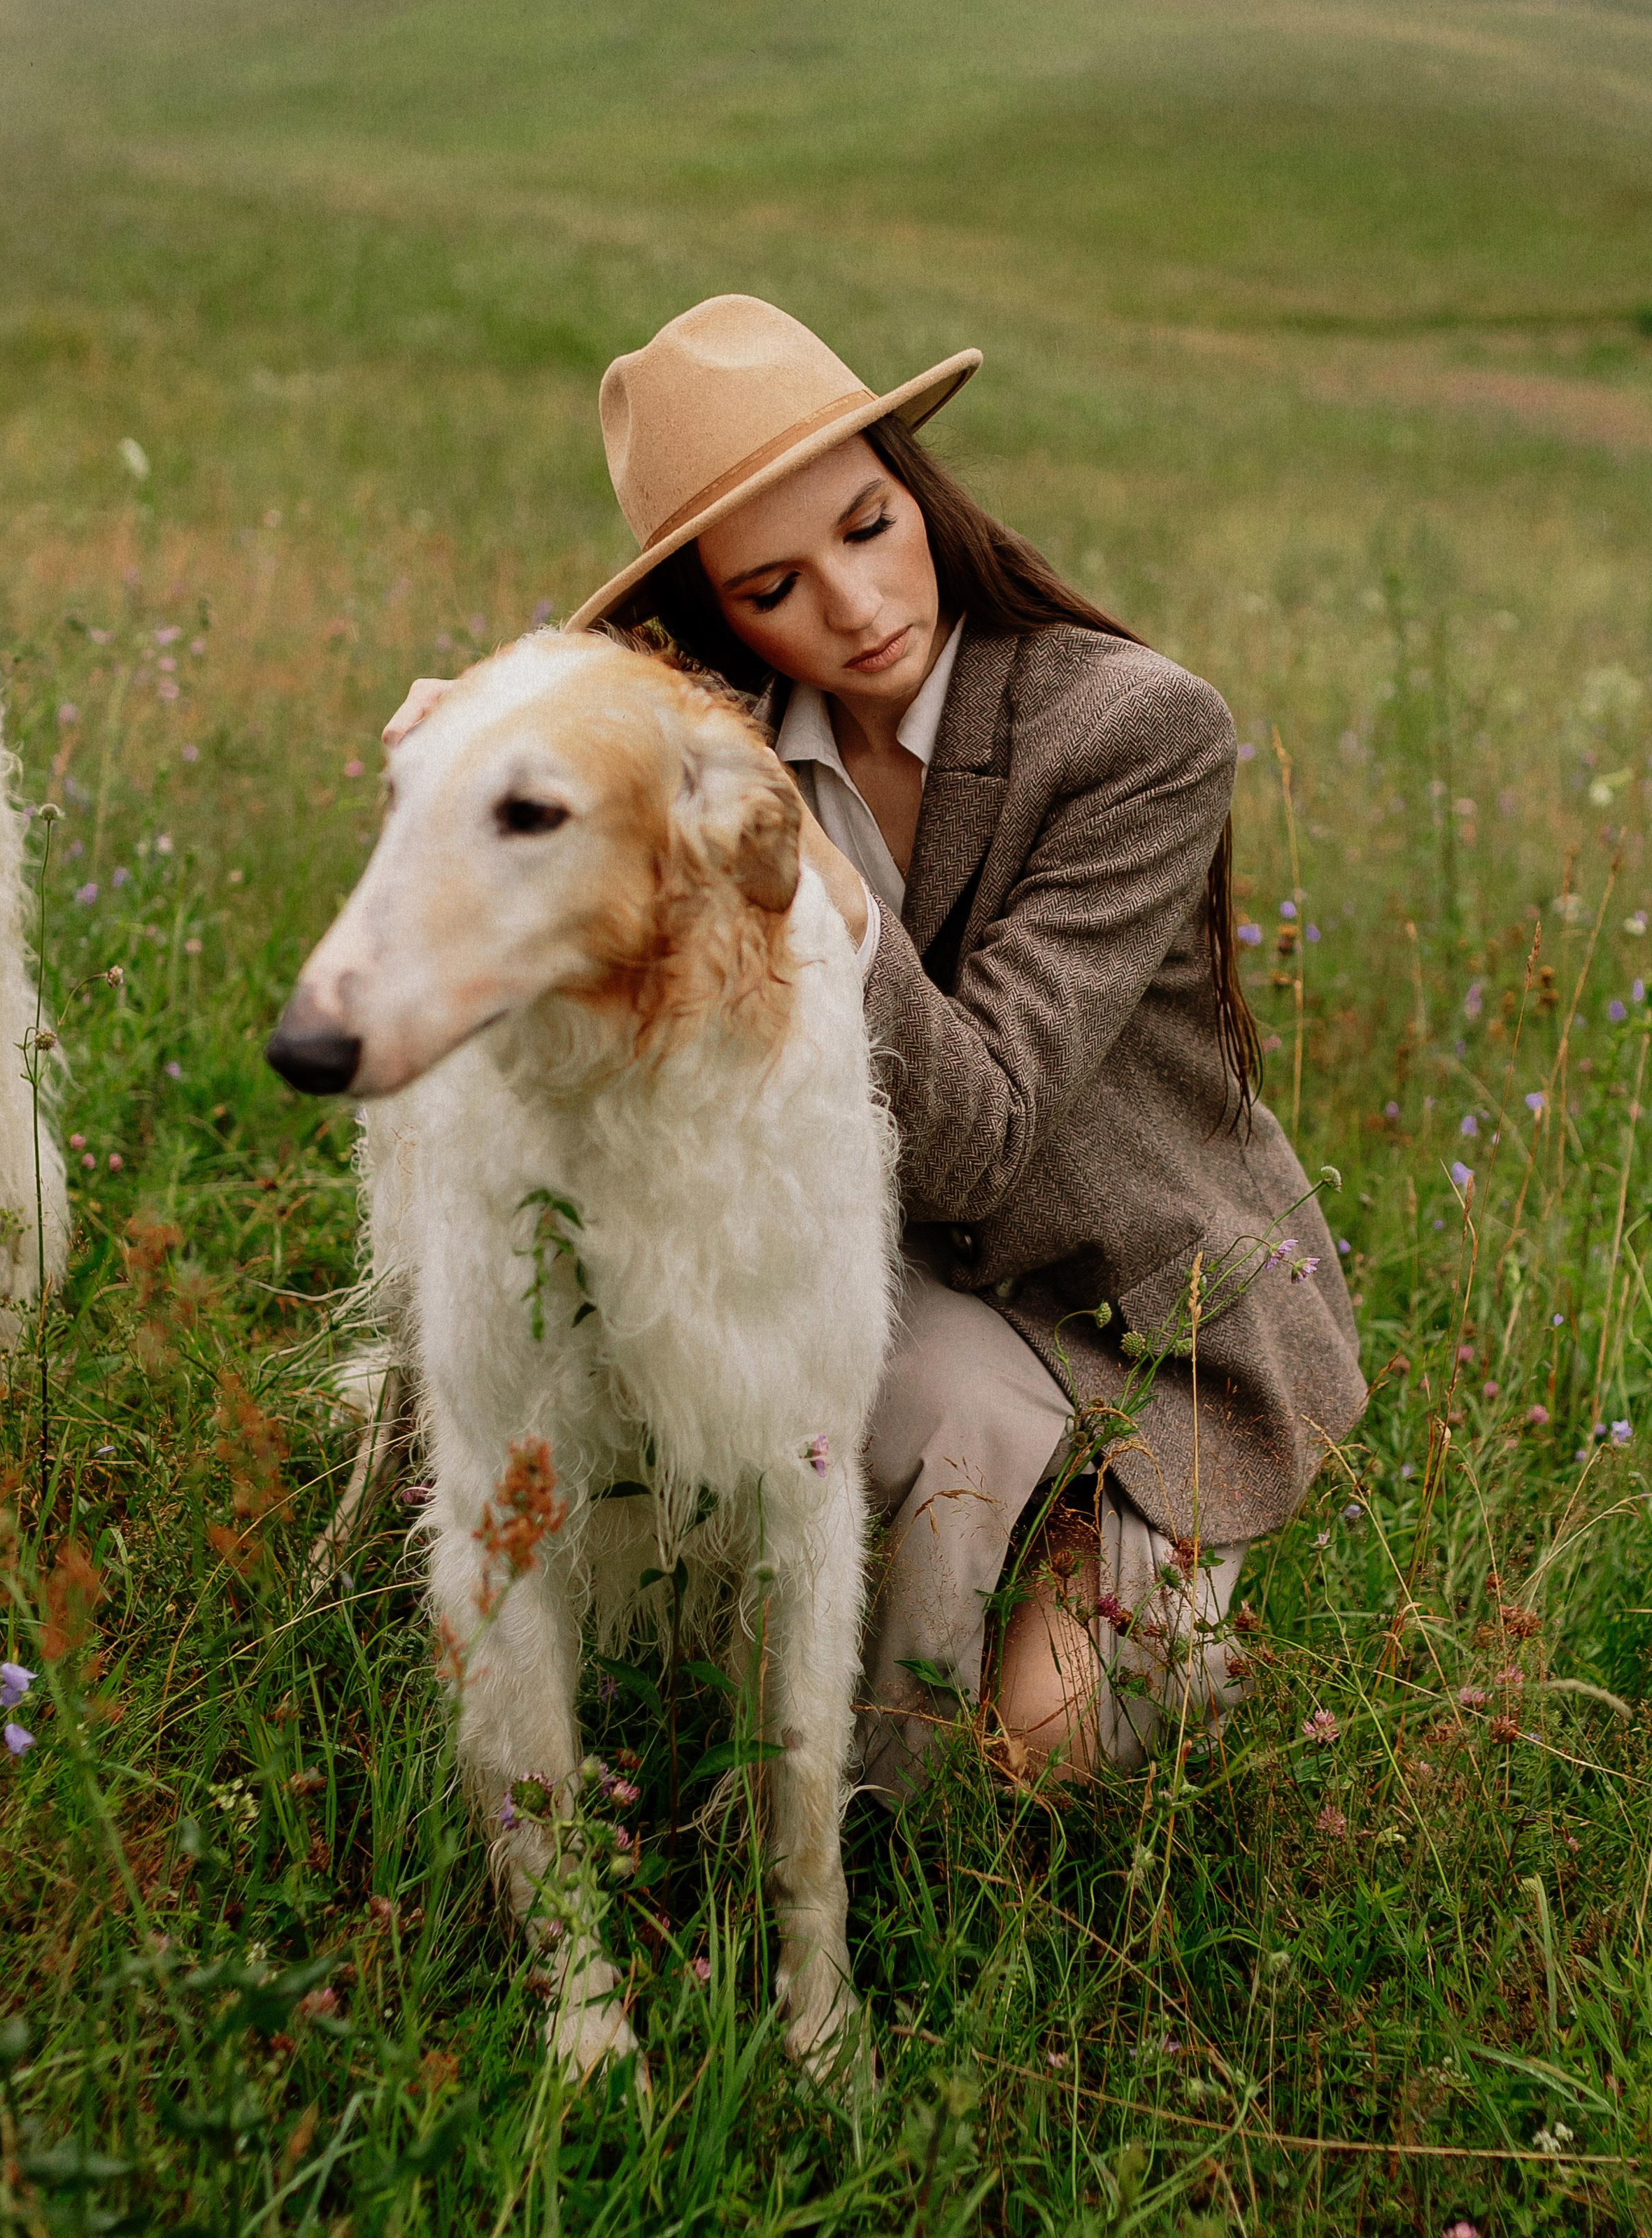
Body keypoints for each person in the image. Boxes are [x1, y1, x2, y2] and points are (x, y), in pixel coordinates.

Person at [383, 295, 1366, 1797]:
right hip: (913, 1298)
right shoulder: (721, 742)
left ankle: (1117, 1566)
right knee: (863, 1593)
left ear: (917, 487)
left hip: (1143, 1316)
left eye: (868, 525)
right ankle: (829, 1762)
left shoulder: (1132, 730)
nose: (852, 608)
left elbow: (982, 1136)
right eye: (774, 585)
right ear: (720, 612)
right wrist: (483, 755)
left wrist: (825, 882)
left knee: (1049, 1749)